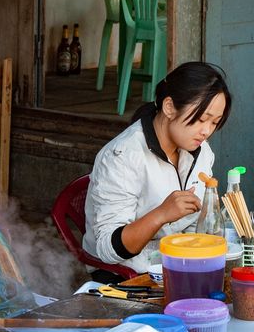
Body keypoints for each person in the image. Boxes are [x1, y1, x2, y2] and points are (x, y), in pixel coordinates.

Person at [84, 62, 232, 276]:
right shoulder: (122, 157)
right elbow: (108, 249)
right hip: (124, 274)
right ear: (169, 107)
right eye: (202, 119)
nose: (207, 131)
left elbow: (196, 224)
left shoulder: (201, 151)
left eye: (215, 123)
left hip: (178, 263)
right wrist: (161, 214)